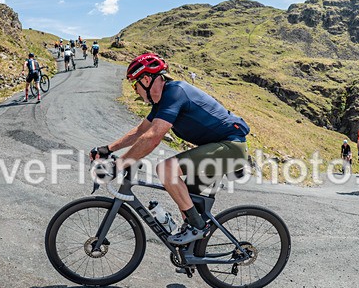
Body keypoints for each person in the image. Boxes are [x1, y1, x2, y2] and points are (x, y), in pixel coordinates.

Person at [90, 52, 250, 245]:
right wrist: (108, 149)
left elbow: (153, 138)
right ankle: (191, 251)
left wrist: (119, 165)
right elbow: (140, 131)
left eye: (134, 85)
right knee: (187, 203)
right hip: (219, 148)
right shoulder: (162, 102)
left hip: (231, 147)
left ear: (146, 80)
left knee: (167, 169)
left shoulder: (175, 93)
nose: (135, 91)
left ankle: (198, 228)